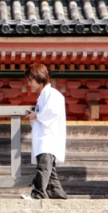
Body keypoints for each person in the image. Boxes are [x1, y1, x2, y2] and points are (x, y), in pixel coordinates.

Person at [22, 63, 68, 200]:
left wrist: (36, 115)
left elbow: (51, 112)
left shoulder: (53, 94)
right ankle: (58, 195)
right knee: (49, 170)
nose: (29, 83)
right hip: (43, 137)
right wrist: (35, 114)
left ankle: (38, 194)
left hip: (49, 137)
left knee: (44, 167)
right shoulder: (43, 96)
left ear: (39, 77)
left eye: (31, 80)